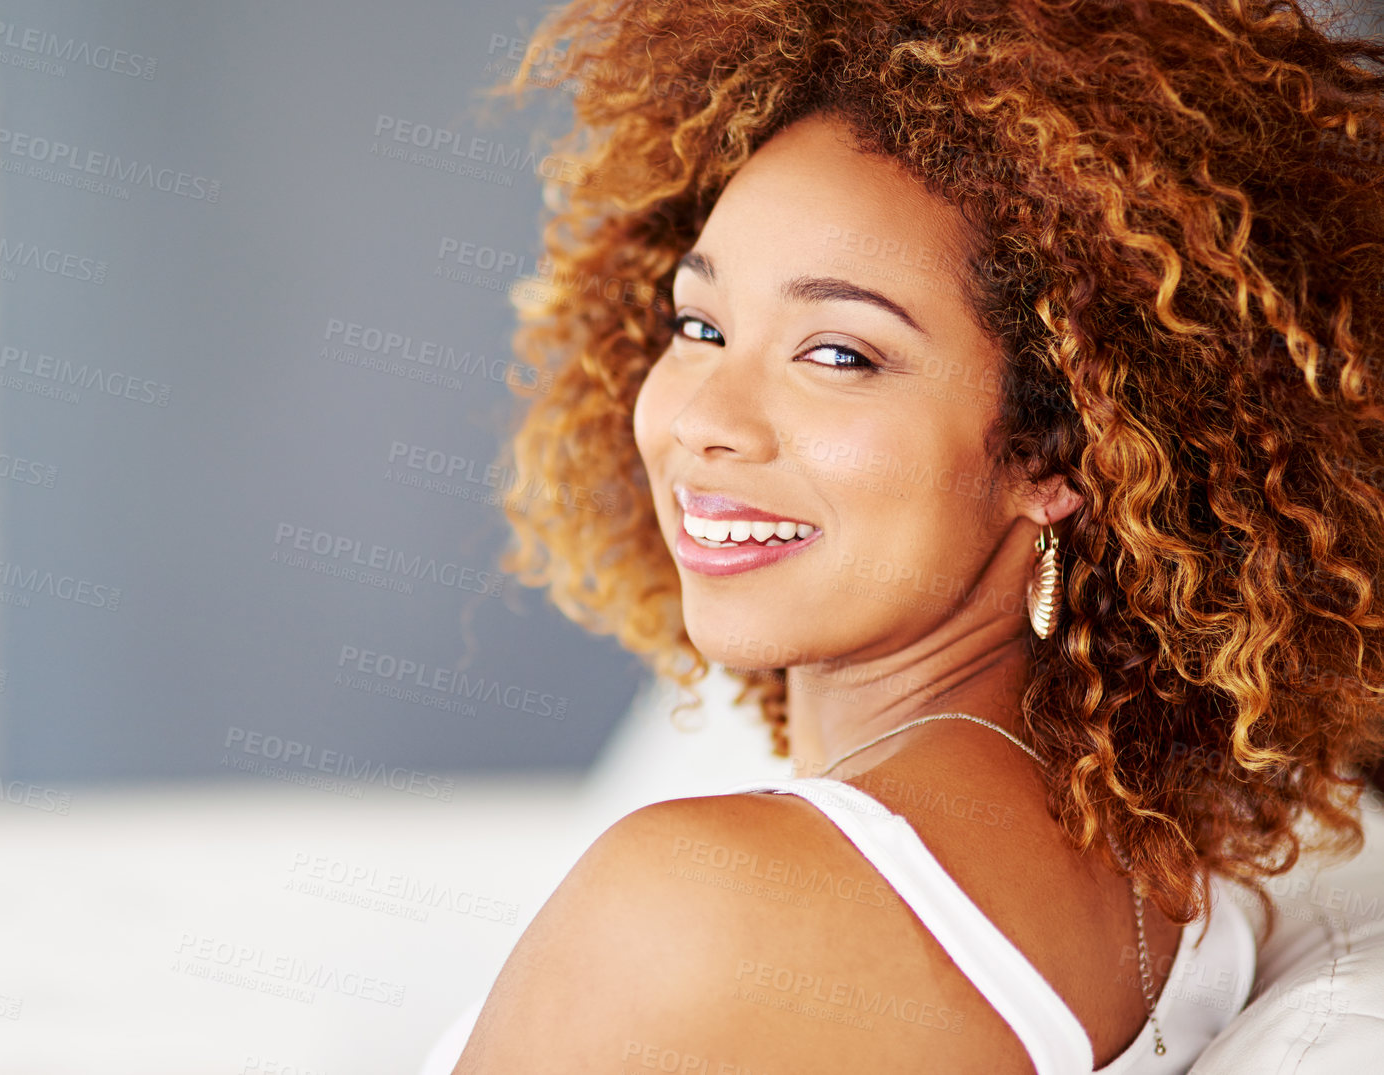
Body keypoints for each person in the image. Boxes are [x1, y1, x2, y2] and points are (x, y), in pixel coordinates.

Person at [431, 0, 1384, 1071]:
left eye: (838, 354)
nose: (701, 420)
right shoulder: (1159, 855)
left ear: (1058, 454)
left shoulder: (700, 897)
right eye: (700, 326)